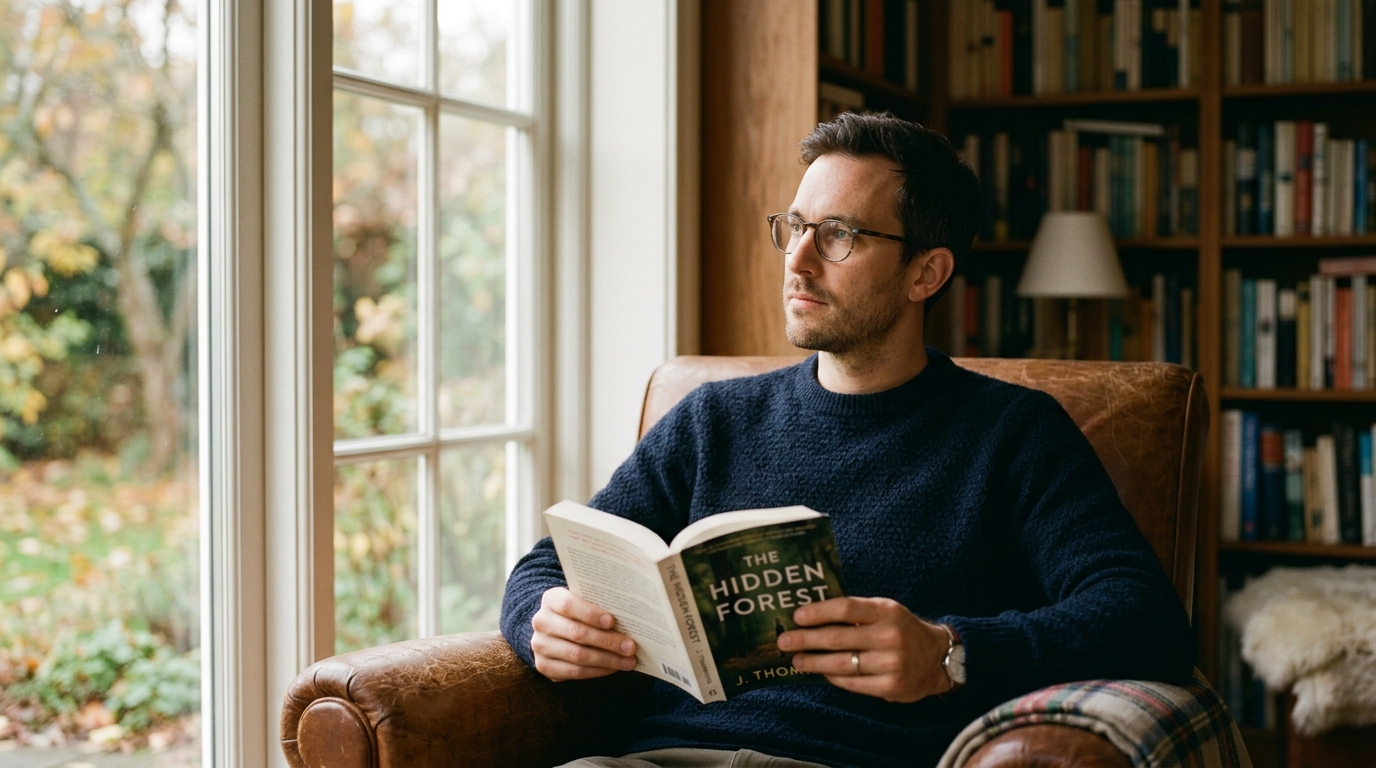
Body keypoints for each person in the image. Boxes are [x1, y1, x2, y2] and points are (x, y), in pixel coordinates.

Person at [499, 112, 1195, 768]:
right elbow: (545, 565)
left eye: (839, 234)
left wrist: (950, 651)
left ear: (927, 272)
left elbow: (1146, 620)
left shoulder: (1014, 434)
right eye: (794, 225)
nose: (798, 260)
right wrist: (544, 619)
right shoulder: (711, 420)